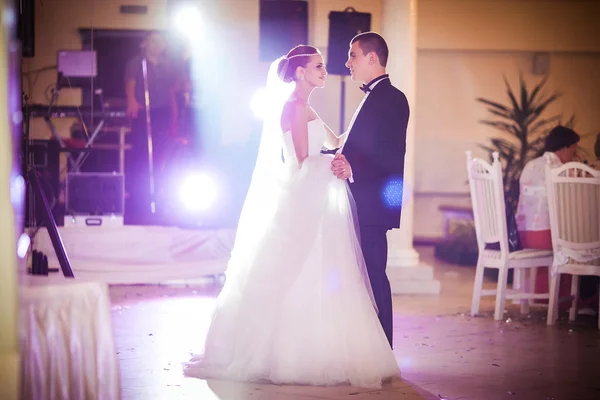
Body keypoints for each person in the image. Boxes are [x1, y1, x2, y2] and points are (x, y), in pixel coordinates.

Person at [184, 45, 400, 388]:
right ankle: (289, 352)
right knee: (301, 271)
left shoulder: (308, 106)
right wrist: (335, 166)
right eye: (318, 66)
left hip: (317, 198)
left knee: (321, 271)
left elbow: (337, 142)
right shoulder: (294, 106)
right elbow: (301, 160)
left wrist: (353, 142)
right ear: (299, 73)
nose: (325, 70)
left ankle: (325, 348)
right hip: (304, 197)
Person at [330, 32, 409, 348]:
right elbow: (363, 146)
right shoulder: (374, 97)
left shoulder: (392, 98)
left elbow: (391, 155)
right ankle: (368, 346)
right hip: (360, 198)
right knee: (363, 275)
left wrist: (353, 169)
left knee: (374, 275)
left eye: (353, 55)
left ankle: (383, 349)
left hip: (373, 203)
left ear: (372, 58)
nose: (347, 62)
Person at [516, 125, 580, 307]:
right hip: (545, 237)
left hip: (525, 236)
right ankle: (573, 301)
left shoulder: (531, 164)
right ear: (565, 147)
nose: (575, 154)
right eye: (574, 148)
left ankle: (540, 295)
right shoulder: (562, 170)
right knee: (578, 241)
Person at [123, 31, 179, 224]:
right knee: (140, 154)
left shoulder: (168, 64)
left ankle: (160, 197)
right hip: (143, 111)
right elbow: (130, 82)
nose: (157, 45)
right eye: (153, 41)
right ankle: (138, 198)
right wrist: (131, 100)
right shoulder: (136, 62)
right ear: (144, 43)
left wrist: (175, 113)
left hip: (162, 112)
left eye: (160, 42)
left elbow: (173, 89)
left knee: (161, 154)